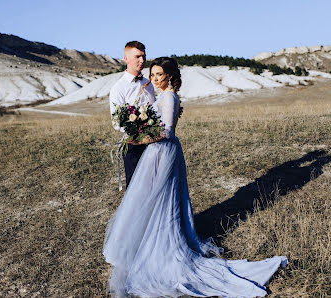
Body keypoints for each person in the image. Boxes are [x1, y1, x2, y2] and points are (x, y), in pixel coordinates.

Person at [103, 57, 287, 297]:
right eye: (153, 74)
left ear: (170, 76)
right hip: (159, 151)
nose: (155, 78)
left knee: (163, 198)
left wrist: (140, 138)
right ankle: (149, 239)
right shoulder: (165, 96)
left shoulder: (168, 96)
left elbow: (167, 131)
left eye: (159, 74)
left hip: (163, 150)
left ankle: (164, 245)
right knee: (155, 197)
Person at [109, 41, 156, 188]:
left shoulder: (148, 84)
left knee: (154, 184)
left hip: (154, 143)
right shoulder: (118, 88)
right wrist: (139, 132)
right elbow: (117, 123)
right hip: (133, 145)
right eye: (137, 57)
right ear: (126, 59)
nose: (142, 61)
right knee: (136, 188)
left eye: (144, 56)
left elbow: (154, 111)